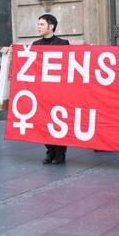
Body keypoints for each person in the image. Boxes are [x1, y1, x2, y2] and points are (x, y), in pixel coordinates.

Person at [32, 14, 70, 164]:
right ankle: (50, 151)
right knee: (44, 121)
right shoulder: (35, 44)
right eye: (38, 24)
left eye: (42, 24)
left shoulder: (63, 44)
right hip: (42, 91)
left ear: (51, 26)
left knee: (58, 121)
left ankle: (60, 153)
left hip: (58, 91)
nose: (39, 27)